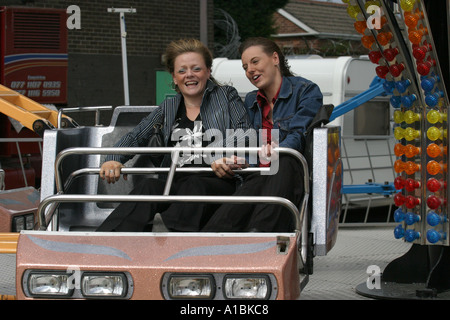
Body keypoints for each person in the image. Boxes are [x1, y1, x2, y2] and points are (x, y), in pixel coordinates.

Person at [96, 38, 252, 232]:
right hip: (175, 184)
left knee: (195, 184)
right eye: (182, 70)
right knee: (148, 188)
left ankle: (171, 241)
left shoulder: (225, 95)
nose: (189, 75)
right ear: (174, 77)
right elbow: (136, 136)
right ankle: (102, 245)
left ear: (208, 71)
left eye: (196, 69)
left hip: (217, 183)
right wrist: (113, 158)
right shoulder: (169, 107)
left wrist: (221, 156)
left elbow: (245, 131)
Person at [203, 37, 323, 232]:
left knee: (284, 159)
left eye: (255, 61)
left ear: (275, 58)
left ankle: (261, 237)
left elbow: (299, 133)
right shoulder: (251, 100)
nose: (250, 69)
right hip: (259, 175)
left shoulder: (306, 91)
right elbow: (243, 138)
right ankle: (208, 244)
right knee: (223, 221)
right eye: (245, 66)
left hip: (289, 174)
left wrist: (279, 149)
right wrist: (235, 158)